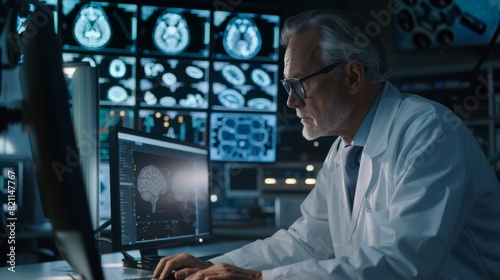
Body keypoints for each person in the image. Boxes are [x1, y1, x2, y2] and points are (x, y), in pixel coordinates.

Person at [153, 9, 500, 280]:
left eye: (299, 85)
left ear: (352, 76)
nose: (290, 102)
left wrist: (258, 278)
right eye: (286, 86)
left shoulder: (428, 133)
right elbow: (307, 242)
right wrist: (212, 266)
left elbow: (402, 264)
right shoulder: (345, 150)